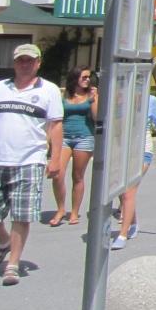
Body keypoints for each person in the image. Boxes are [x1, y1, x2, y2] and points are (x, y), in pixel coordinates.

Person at [0, 43, 63, 285]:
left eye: (30, 60)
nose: (25, 64)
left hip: (30, 160)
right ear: (15, 63)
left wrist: (55, 158)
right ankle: (4, 241)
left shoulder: (48, 90)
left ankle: (12, 264)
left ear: (38, 63)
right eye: (20, 60)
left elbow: (56, 125)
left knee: (22, 215)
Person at [112, 91, 156, 250]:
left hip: (142, 150)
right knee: (122, 190)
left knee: (129, 191)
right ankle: (133, 222)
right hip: (122, 150)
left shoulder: (150, 100)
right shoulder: (119, 97)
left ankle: (122, 234)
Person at [49, 66, 98, 226]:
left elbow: (97, 117)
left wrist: (93, 100)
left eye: (89, 77)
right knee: (57, 174)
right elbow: (55, 117)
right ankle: (61, 209)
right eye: (84, 77)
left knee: (77, 176)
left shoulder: (92, 95)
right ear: (75, 78)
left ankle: (75, 212)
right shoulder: (64, 95)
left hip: (84, 137)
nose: (87, 80)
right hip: (64, 137)